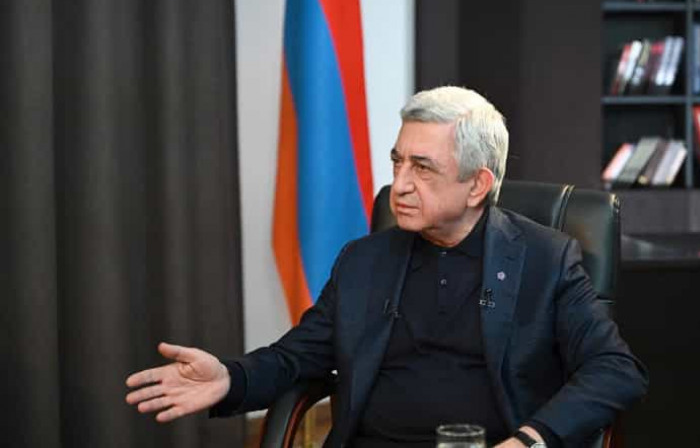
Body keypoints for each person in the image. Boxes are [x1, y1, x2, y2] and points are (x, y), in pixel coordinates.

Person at [126, 86, 648, 447]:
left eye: (422, 168)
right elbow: (295, 359)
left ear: (477, 185)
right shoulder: (364, 260)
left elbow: (615, 369)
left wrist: (529, 442)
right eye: (398, 162)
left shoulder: (545, 258)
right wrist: (229, 378)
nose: (398, 184)